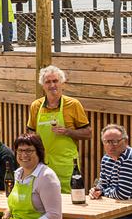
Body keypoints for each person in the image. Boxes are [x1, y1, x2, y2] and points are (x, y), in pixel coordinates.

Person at [27, 65, 91, 193]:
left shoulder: (73, 104)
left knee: (69, 199)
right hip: (42, 163)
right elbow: (30, 133)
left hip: (65, 164)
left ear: (62, 83)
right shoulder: (36, 106)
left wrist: (68, 131)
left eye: (55, 81)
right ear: (43, 86)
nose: (52, 85)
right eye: (48, 82)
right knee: (42, 197)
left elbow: (88, 133)